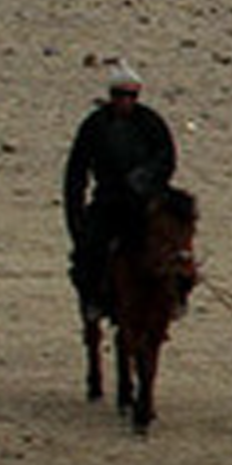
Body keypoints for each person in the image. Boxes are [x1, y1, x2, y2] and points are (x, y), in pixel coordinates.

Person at [64, 61, 178, 317]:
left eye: (131, 95)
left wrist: (146, 179)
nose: (125, 101)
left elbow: (166, 158)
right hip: (109, 201)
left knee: (176, 251)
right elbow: (77, 172)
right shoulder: (95, 126)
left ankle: (174, 299)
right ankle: (94, 299)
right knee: (90, 252)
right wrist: (76, 216)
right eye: (120, 95)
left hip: (145, 201)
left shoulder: (150, 122)